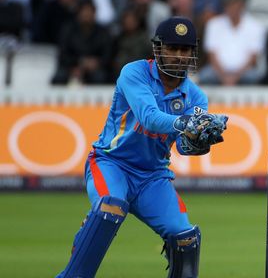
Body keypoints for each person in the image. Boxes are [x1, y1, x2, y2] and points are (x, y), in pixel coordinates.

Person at [57, 17, 229, 278]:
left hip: (153, 177)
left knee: (185, 237)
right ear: (158, 49)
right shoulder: (134, 73)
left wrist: (202, 139)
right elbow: (150, 117)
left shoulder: (196, 97)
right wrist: (188, 122)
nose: (179, 56)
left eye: (185, 50)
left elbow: (184, 147)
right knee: (110, 208)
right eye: (173, 49)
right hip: (111, 163)